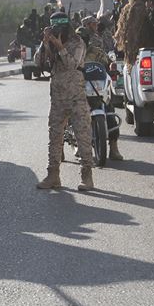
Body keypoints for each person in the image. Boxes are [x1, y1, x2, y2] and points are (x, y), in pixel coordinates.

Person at [35, 12, 95, 191]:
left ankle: (87, 176)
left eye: (59, 27)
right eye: (54, 27)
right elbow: (38, 62)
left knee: (82, 136)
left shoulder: (77, 42)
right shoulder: (50, 43)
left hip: (76, 97)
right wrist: (45, 43)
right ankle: (53, 175)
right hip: (58, 98)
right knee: (55, 136)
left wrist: (60, 46)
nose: (57, 31)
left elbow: (71, 65)